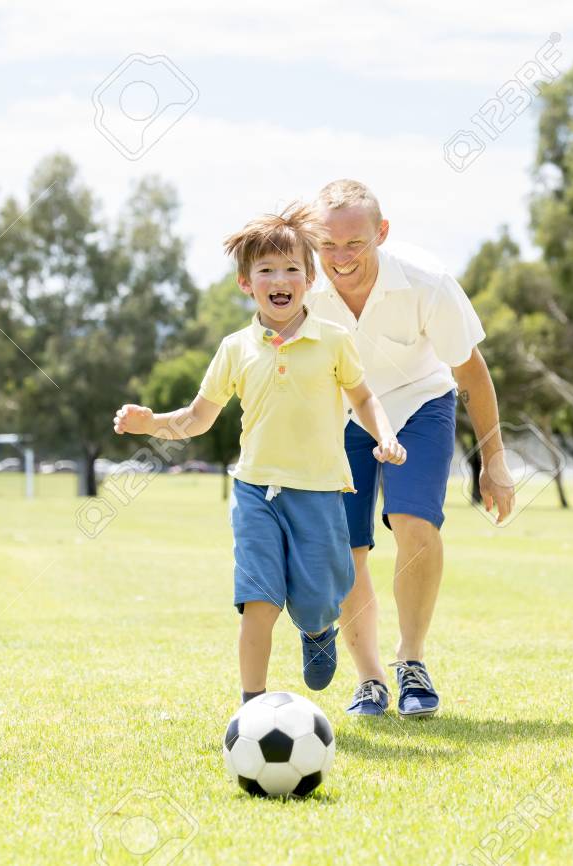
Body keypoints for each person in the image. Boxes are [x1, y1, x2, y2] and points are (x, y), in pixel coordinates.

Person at [114, 203, 406, 704]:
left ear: (310, 279)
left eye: (291, 269)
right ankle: (252, 705)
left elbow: (363, 398)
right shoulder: (235, 348)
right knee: (259, 600)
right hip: (255, 492)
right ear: (246, 283)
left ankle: (317, 629)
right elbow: (198, 417)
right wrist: (152, 423)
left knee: (318, 601)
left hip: (319, 493)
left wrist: (385, 435)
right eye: (266, 270)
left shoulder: (334, 341)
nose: (280, 279)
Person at [307, 179, 516, 717]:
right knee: (346, 546)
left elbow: (471, 372)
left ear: (381, 232)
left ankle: (412, 661)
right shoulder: (300, 285)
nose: (340, 258)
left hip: (419, 403)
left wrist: (493, 460)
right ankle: (370, 679)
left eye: (354, 243)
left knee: (414, 523)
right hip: (342, 413)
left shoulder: (428, 282)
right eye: (327, 244)